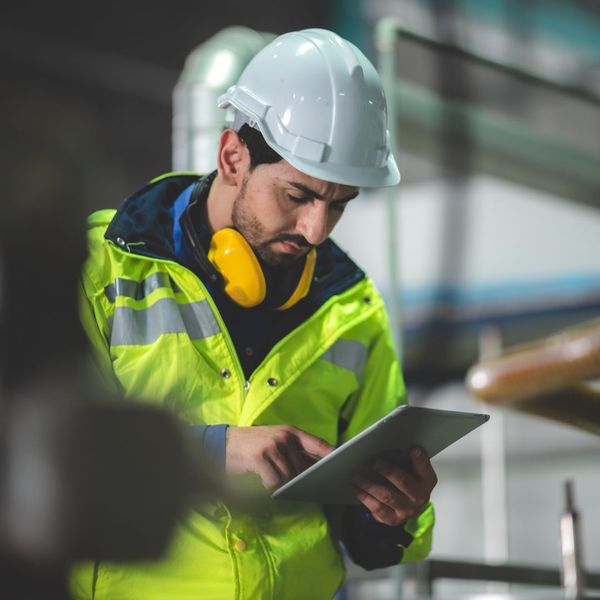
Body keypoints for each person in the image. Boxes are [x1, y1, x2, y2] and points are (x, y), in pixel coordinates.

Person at [72, 28, 436, 600]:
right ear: (232, 157)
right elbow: (48, 458)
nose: (316, 229)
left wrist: (393, 512)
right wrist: (217, 451)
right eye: (297, 196)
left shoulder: (352, 309)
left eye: (338, 205)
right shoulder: (101, 270)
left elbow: (369, 546)